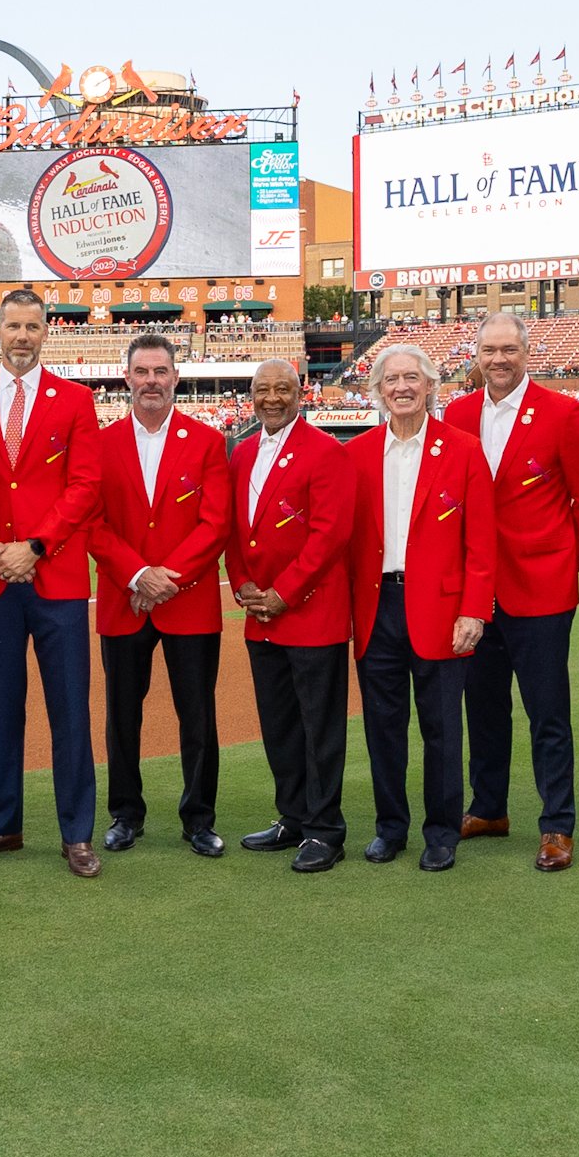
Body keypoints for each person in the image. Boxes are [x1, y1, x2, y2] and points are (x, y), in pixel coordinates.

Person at [442, 310, 579, 873]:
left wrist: (565, 558)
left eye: (508, 350)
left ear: (526, 353)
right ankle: (489, 808)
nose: (498, 360)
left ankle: (557, 824)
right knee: (483, 708)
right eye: (489, 351)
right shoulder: (459, 413)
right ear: (477, 356)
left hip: (540, 591)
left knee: (547, 713)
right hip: (475, 594)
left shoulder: (563, 413)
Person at [0, 289, 106, 877]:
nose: (22, 336)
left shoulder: (76, 401)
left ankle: (77, 833)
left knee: (70, 709)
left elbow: (84, 486)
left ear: (47, 332)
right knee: (1, 708)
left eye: (32, 327)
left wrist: (36, 547)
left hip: (56, 576)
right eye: (12, 326)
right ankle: (2, 824)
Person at [343, 342, 492, 871]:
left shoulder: (464, 449)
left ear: (430, 385)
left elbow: (480, 540)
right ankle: (390, 828)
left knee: (441, 728)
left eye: (412, 378)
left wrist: (474, 610)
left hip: (441, 610)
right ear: (379, 391)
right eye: (391, 380)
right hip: (377, 607)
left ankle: (441, 831)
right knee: (383, 726)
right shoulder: (355, 454)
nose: (401, 387)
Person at [88, 332, 231, 857]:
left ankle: (199, 818)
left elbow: (215, 525)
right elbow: (93, 524)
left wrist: (164, 577)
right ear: (126, 377)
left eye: (160, 372)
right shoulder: (99, 444)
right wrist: (136, 575)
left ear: (176, 377)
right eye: (142, 372)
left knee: (197, 715)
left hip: (186, 602)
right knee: (122, 715)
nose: (151, 381)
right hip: (124, 601)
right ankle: (126, 813)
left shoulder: (208, 441)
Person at [227, 358, 356, 873]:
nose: (273, 398)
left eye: (283, 389)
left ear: (301, 393)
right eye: (263, 390)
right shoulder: (240, 454)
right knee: (279, 724)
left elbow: (330, 535)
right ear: (252, 396)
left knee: (318, 726)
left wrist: (283, 592)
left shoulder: (325, 451)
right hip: (261, 616)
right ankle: (293, 816)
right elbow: (233, 533)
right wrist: (241, 584)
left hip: (310, 614)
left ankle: (326, 830)